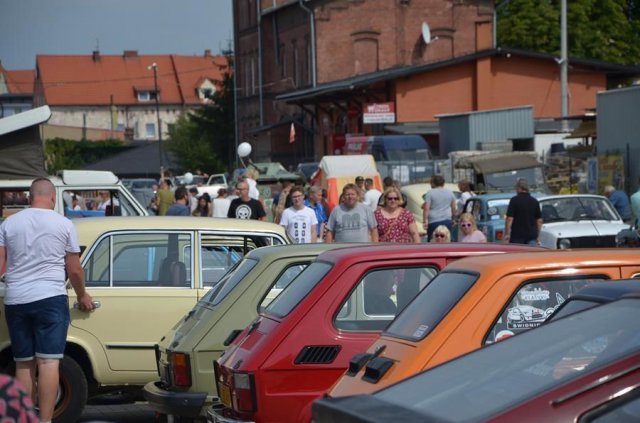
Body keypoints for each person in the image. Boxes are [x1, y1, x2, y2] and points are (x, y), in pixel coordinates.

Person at [0, 177, 94, 423]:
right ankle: (46, 421)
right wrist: (82, 294)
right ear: (53, 197)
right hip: (50, 297)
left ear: (30, 197)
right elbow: (74, 269)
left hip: (16, 299)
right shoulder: (64, 224)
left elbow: (0, 267)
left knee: (23, 364)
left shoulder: (8, 224)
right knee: (49, 363)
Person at [504, 178, 542, 245]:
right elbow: (539, 220)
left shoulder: (514, 201)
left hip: (517, 236)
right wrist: (538, 235)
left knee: (518, 254)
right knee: (530, 254)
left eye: (516, 188)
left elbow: (510, 219)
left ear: (519, 188)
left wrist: (507, 233)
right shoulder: (534, 201)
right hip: (531, 235)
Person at [422, 175, 456, 241]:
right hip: (447, 220)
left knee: (433, 240)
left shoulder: (430, 193)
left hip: (433, 221)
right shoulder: (450, 193)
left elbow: (426, 208)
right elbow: (453, 208)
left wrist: (425, 220)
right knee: (447, 240)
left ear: (433, 183)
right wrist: (454, 218)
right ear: (443, 183)